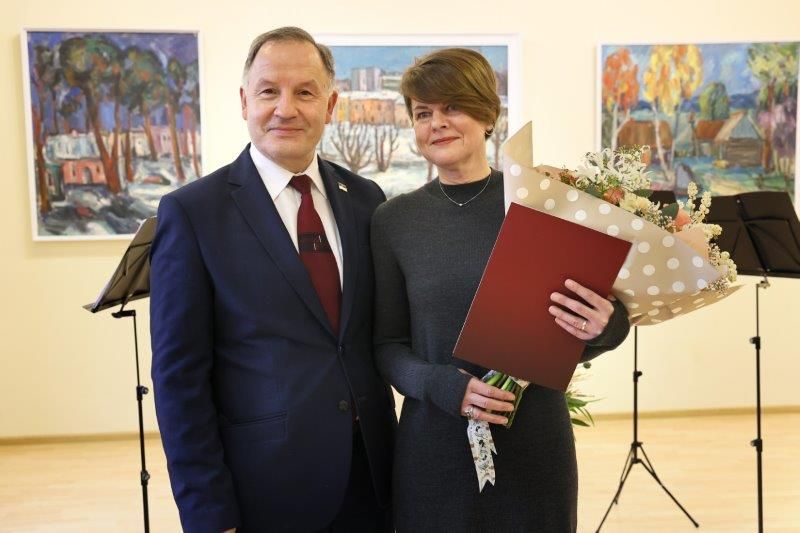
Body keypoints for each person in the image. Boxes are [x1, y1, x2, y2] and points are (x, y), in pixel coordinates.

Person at [371, 48, 630, 532]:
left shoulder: (541, 204)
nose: (436, 123)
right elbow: (387, 346)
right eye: (423, 113)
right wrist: (443, 386)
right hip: (434, 448)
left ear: (489, 115)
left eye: (452, 106)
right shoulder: (393, 221)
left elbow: (589, 322)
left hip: (534, 445)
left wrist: (607, 325)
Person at [150, 27, 395, 533]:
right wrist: (207, 511)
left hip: (372, 480)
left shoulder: (366, 199)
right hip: (264, 489)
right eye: (268, 91)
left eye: (305, 92)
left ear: (330, 105)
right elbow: (179, 379)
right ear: (244, 101)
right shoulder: (194, 213)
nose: (286, 109)